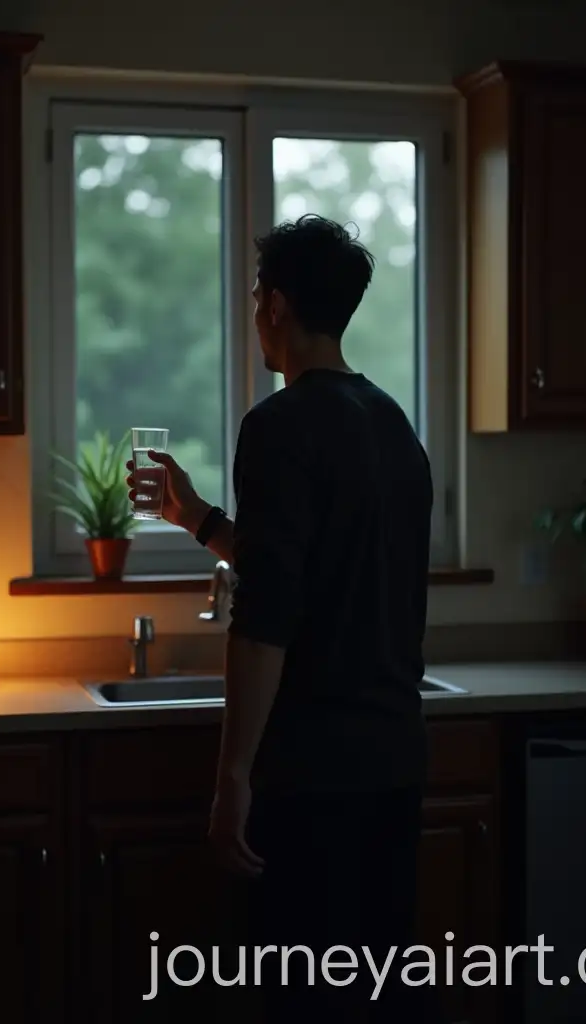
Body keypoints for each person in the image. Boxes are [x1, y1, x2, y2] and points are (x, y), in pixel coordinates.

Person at [127, 214, 434, 1021]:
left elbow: (267, 618)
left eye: (259, 294)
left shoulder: (278, 426)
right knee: (375, 992)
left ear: (276, 306)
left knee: (299, 995)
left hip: (312, 774)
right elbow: (305, 568)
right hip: (395, 760)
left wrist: (233, 776)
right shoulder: (393, 426)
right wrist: (198, 519)